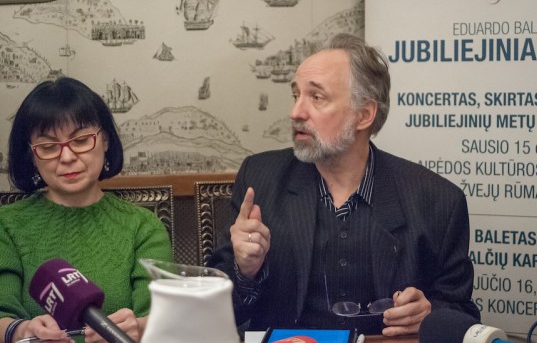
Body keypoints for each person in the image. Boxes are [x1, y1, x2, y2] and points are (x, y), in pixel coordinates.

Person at [210, 33, 479, 336]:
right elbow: (215, 309)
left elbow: (463, 313)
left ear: (364, 114)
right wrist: (245, 272)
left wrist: (429, 315)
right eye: (296, 95)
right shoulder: (260, 179)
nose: (296, 112)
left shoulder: (437, 201)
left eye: (316, 97)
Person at [0, 77, 172, 343]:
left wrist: (138, 328)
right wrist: (22, 331)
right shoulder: (7, 225)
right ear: (32, 156)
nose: (67, 157)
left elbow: (165, 317)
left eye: (80, 141)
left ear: (105, 140)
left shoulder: (143, 227)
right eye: (48, 147)